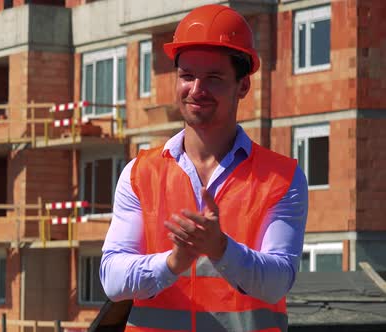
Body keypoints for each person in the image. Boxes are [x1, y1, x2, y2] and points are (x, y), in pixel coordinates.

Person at [100, 4, 308, 332]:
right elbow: (112, 279)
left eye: (213, 78)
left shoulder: (282, 178)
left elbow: (278, 280)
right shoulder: (139, 174)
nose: (196, 89)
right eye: (187, 76)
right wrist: (173, 263)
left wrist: (221, 248)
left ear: (243, 86)